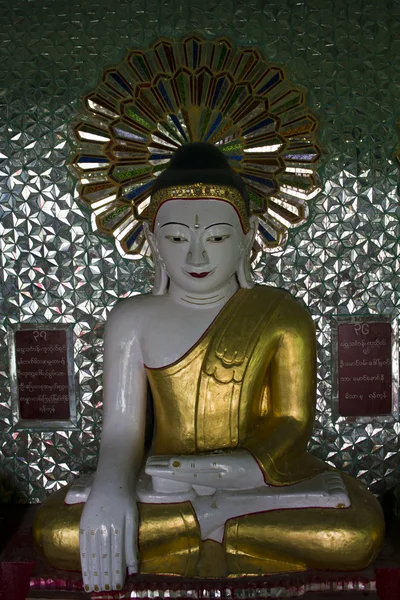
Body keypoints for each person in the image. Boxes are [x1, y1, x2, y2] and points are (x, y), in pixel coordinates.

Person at [33, 143, 384, 593]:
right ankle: (217, 522)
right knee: (58, 531)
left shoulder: (280, 313)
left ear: (247, 235)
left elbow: (293, 419)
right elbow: (121, 433)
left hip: (258, 480)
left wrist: (250, 465)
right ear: (153, 239)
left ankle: (202, 523)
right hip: (163, 481)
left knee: (355, 532)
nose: (196, 258)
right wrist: (112, 490)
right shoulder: (132, 318)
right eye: (177, 238)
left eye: (216, 238)